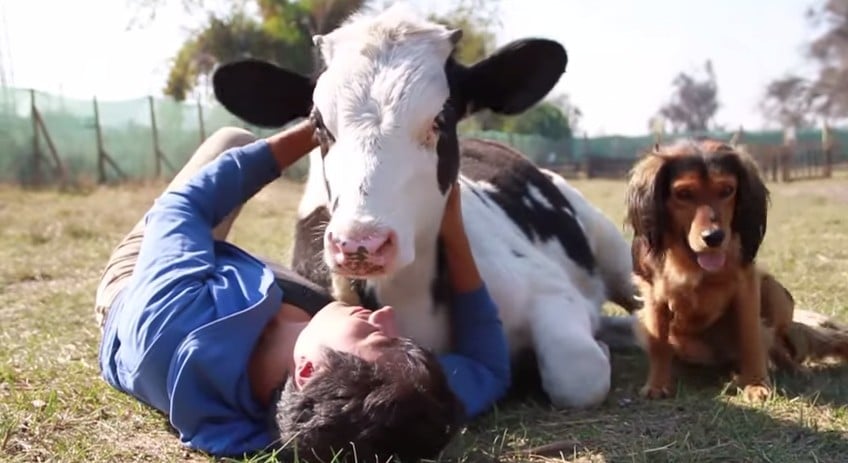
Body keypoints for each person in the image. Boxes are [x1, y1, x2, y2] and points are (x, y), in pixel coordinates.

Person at [94, 119, 511, 462]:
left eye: (375, 334)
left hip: (136, 285)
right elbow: (490, 370)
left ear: (310, 371)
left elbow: (183, 208)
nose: (386, 317)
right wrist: (453, 233)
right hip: (249, 295)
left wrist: (314, 130)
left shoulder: (175, 313)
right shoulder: (377, 413)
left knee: (232, 140)